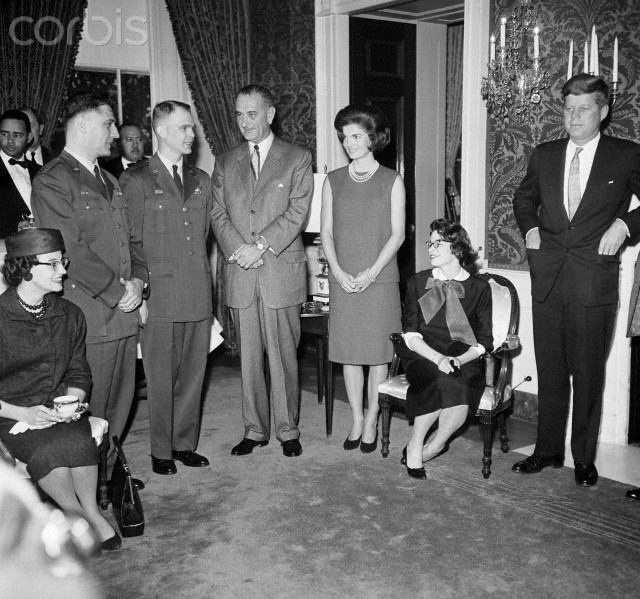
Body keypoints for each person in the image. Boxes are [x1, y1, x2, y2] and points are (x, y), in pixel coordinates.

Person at [512, 74, 640, 487]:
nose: (574, 116)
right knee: (549, 370)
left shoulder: (625, 155)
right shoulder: (545, 153)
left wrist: (624, 224)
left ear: (603, 112)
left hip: (592, 281)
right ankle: (547, 450)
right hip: (548, 277)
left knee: (587, 373)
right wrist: (530, 228)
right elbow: (523, 197)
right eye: (568, 108)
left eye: (583, 108)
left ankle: (583, 458)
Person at [30, 92, 149, 475]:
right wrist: (119, 292)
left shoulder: (109, 178)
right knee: (88, 408)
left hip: (123, 313)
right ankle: (87, 488)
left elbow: (132, 240)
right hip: (89, 316)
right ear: (82, 124)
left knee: (120, 402)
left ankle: (109, 476)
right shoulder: (53, 180)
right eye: (108, 123)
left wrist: (138, 282)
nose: (114, 133)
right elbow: (71, 251)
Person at [0, 227, 121, 551]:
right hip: (11, 414)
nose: (63, 271)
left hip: (59, 409)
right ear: (25, 267)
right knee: (49, 448)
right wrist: (21, 412)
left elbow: (78, 369)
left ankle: (91, 513)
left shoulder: (69, 314)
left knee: (78, 438)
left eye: (62, 262)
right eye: (52, 264)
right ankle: (75, 514)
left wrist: (74, 402)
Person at [211, 84, 313, 458]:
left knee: (284, 354)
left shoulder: (297, 157)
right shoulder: (225, 161)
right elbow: (217, 213)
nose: (244, 122)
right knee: (249, 357)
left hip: (278, 270)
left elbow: (297, 211)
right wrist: (240, 250)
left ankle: (288, 430)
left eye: (251, 114)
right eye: (239, 114)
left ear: (270, 114)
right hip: (241, 270)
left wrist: (261, 246)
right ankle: (254, 430)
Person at [120, 101, 212, 475]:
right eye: (184, 128)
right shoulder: (137, 179)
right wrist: (139, 293)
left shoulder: (202, 179)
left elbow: (202, 238)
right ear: (160, 131)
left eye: (192, 128)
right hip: (157, 293)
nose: (192, 135)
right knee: (160, 376)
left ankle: (184, 443)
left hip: (197, 291)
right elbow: (129, 242)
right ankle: (161, 450)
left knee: (193, 373)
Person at [320, 103, 405, 453]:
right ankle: (356, 418)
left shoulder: (391, 180)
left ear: (372, 138)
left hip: (379, 280)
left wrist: (370, 274)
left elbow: (397, 235)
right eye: (345, 136)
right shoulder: (333, 180)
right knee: (351, 354)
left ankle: (372, 419)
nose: (349, 142)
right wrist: (338, 273)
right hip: (344, 280)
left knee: (377, 356)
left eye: (356, 136)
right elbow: (325, 232)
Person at [400, 220, 493, 479]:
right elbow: (410, 333)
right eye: (430, 242)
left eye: (438, 243)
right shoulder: (418, 282)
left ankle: (436, 444)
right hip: (424, 354)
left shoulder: (479, 288)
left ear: (457, 248)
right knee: (440, 378)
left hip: (463, 357)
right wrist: (438, 357)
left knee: (461, 387)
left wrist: (459, 360)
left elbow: (484, 340)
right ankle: (416, 444)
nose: (430, 248)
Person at [0, 109, 41, 238]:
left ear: (29, 137)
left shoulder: (41, 171)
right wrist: (18, 227)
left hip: (45, 245)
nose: (10, 141)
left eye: (17, 135)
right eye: (4, 134)